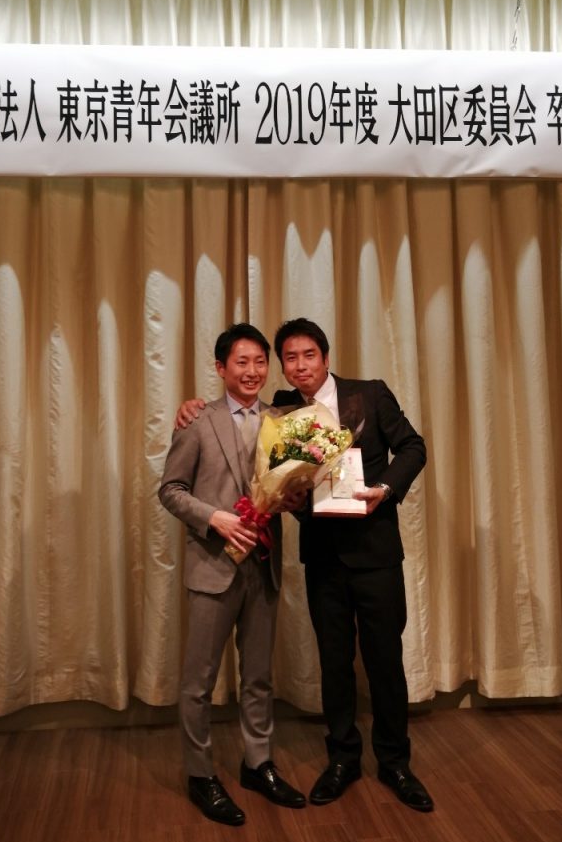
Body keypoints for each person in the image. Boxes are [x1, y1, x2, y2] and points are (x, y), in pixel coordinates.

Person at [176, 317, 434, 813]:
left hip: (376, 553)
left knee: (384, 661)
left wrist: (385, 489)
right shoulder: (282, 410)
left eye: (308, 355)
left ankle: (395, 763)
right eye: (289, 358)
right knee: (333, 662)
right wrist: (189, 407)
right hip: (323, 557)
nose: (299, 366)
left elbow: (413, 447)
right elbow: (261, 462)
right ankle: (342, 759)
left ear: (325, 357)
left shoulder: (370, 394)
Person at [159, 322, 305, 826]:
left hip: (262, 567)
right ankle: (200, 774)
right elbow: (171, 490)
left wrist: (293, 497)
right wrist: (214, 518)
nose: (252, 371)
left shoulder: (281, 422)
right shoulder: (197, 420)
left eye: (260, 362)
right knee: (198, 682)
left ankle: (258, 764)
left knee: (259, 677)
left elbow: (289, 489)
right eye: (241, 362)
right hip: (213, 567)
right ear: (221, 368)